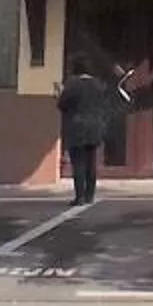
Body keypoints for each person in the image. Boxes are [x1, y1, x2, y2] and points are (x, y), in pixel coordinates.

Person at [57, 55, 125, 205]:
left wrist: (60, 93)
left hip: (77, 126)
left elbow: (62, 105)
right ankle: (90, 196)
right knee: (91, 162)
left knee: (78, 163)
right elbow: (104, 104)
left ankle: (79, 197)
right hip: (95, 126)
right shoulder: (98, 85)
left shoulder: (72, 84)